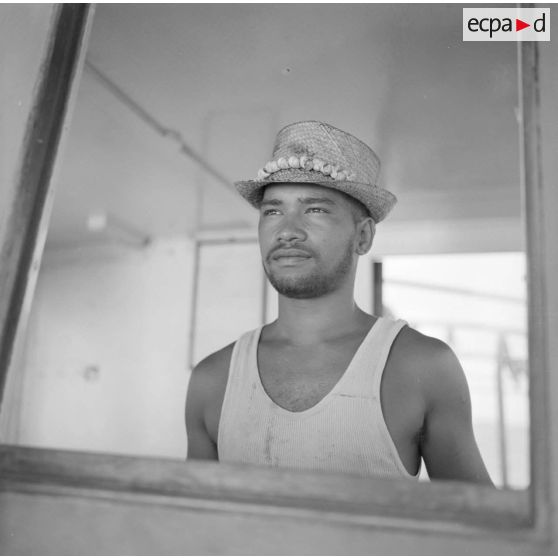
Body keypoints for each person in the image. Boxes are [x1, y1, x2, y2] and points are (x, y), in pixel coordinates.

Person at [185, 120, 492, 484]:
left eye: (315, 209)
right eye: (272, 211)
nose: (287, 231)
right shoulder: (212, 379)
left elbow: (480, 524)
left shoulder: (422, 367)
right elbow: (196, 525)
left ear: (363, 237)